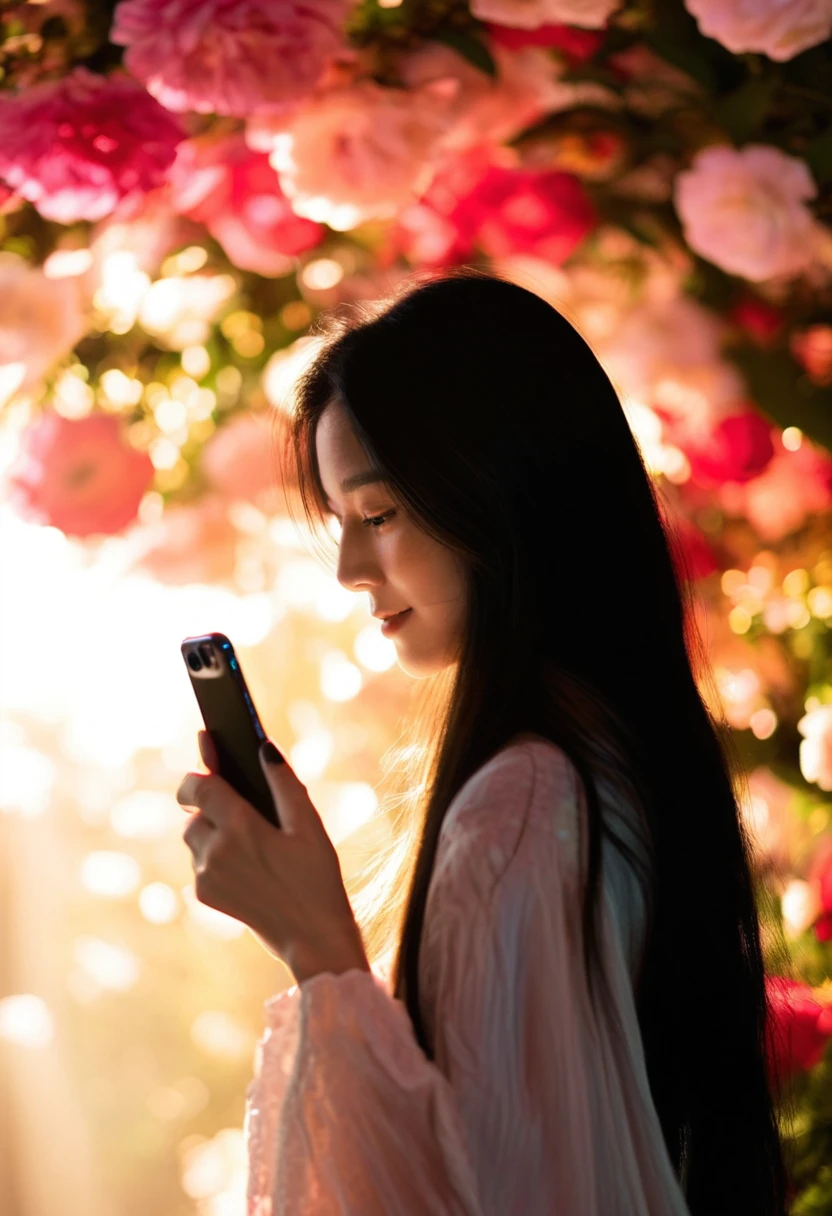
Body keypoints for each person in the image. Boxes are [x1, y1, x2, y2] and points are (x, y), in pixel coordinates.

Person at [243, 267, 790, 1214]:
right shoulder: (609, 766)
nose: (347, 568)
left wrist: (319, 948)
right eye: (341, 522)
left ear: (502, 495)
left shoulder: (524, 808)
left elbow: (497, 1194)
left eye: (379, 515)